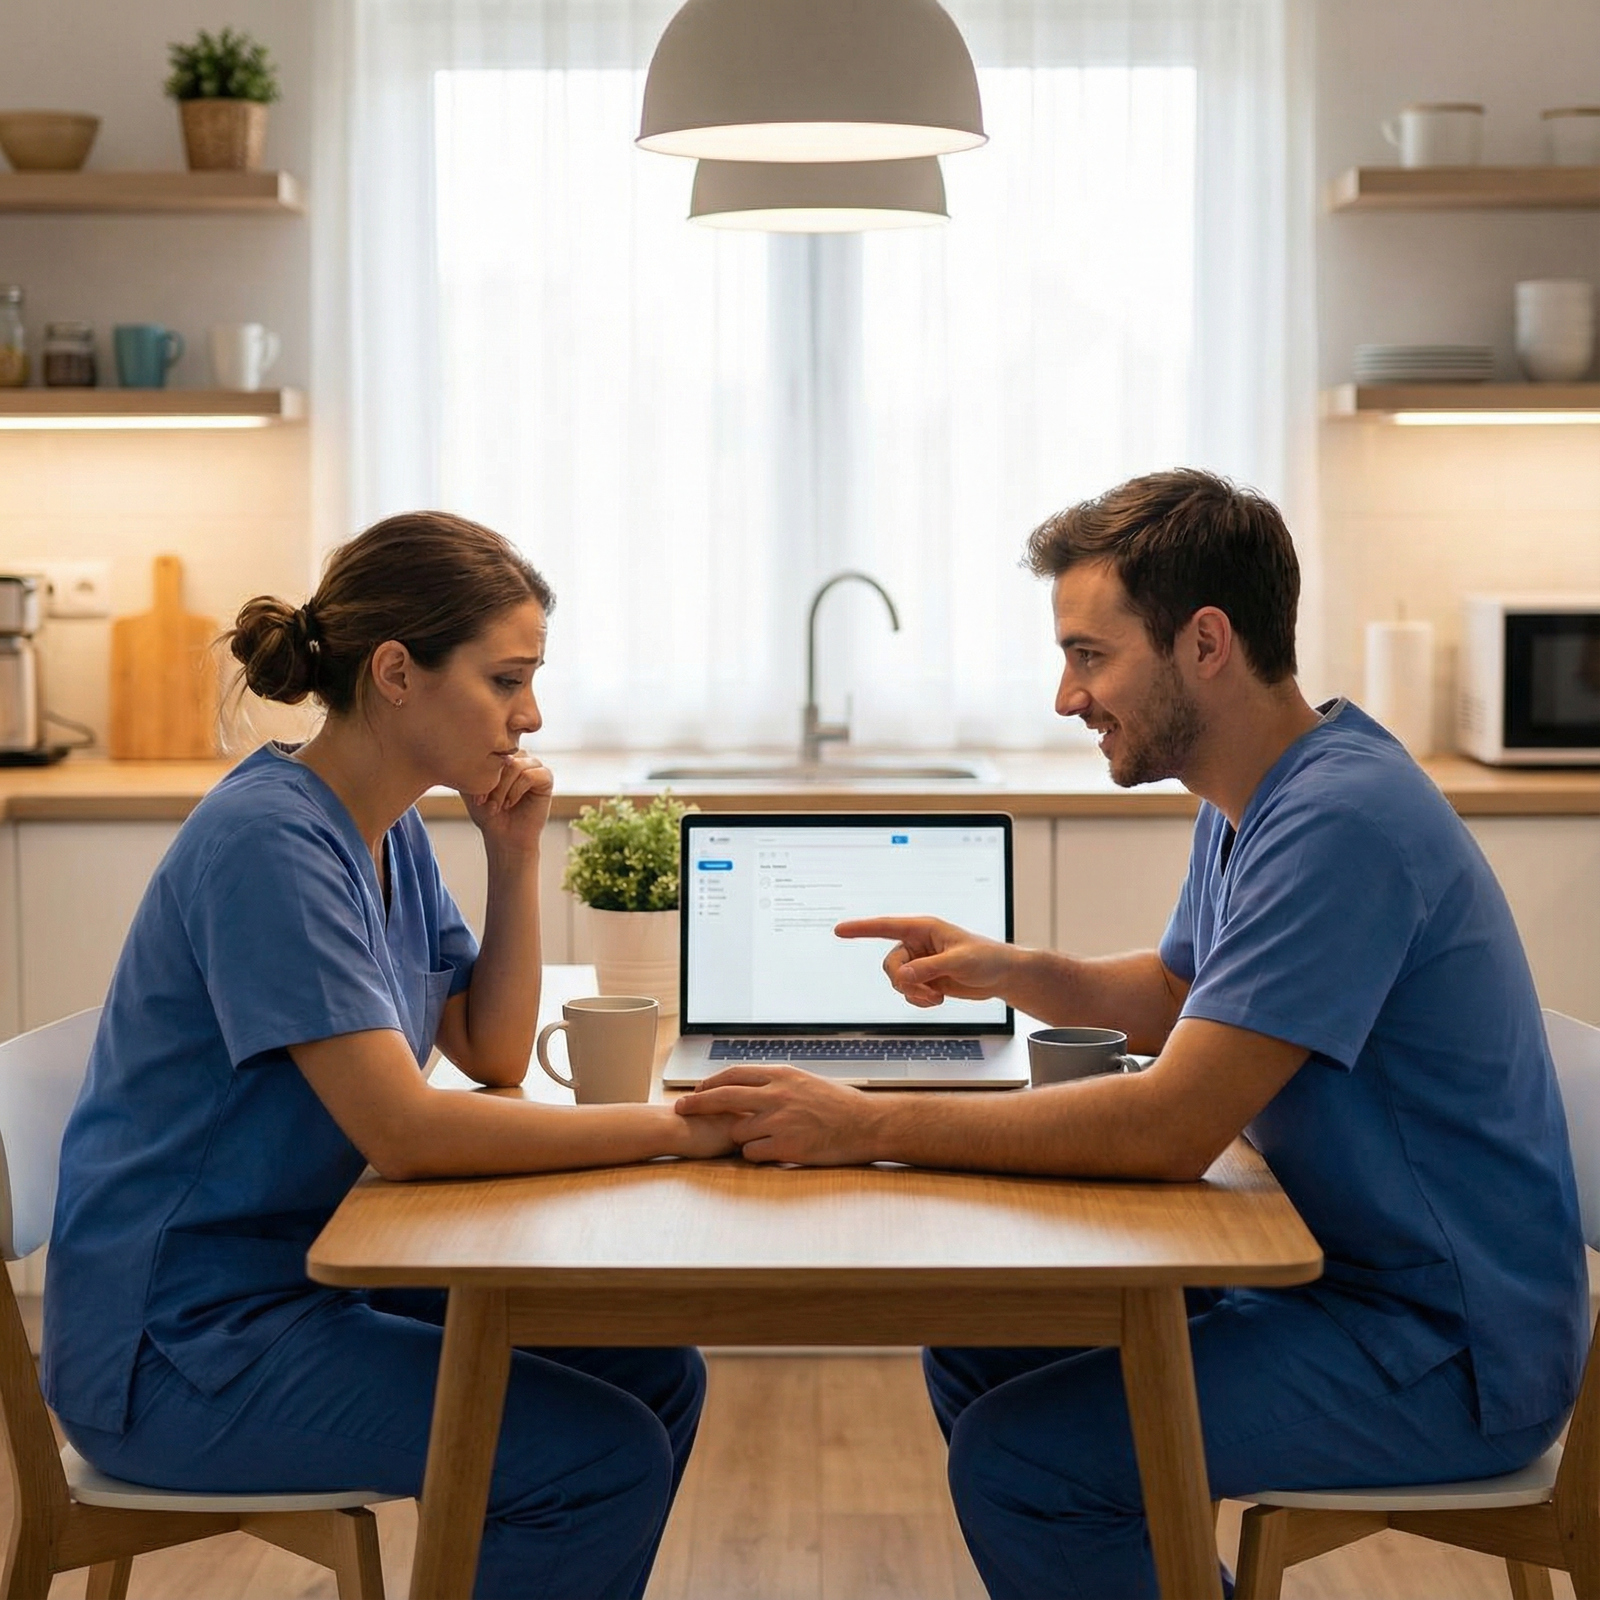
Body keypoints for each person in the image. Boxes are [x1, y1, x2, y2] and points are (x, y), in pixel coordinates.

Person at [678, 469, 1589, 1599]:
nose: (1068, 696)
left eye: (1089, 654)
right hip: (1340, 1283)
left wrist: (864, 1124)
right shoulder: (1261, 794)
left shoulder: (1338, 823)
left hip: (1443, 1351)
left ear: (1204, 642)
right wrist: (1009, 969)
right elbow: (1177, 989)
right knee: (983, 1337)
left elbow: (1168, 1124)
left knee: (1031, 1460)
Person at [42, 511, 736, 1600]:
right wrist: (688, 1129)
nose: (532, 713)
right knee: (590, 1456)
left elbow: (491, 1046)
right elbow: (408, 1134)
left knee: (654, 1372)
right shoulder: (269, 843)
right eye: (507, 678)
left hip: (298, 1283)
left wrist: (512, 858)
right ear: (398, 672)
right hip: (178, 1352)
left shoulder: (388, 829)